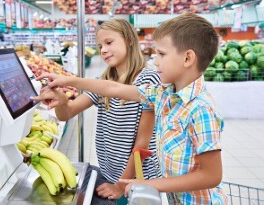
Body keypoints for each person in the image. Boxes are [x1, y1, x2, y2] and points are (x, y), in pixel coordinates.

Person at [32, 13, 228, 204]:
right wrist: (66, 88)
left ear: (187, 58)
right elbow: (112, 88)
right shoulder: (164, 94)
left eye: (161, 54)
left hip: (163, 188)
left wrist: (147, 184)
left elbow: (211, 175)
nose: (155, 60)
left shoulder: (198, 107)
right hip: (159, 190)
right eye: (100, 46)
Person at [33, 19, 162, 204]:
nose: (103, 50)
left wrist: (120, 185)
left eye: (109, 43)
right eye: (100, 46)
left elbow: (143, 143)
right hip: (109, 173)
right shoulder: (102, 80)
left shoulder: (148, 80)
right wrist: (61, 101)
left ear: (129, 40)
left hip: (138, 180)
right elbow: (67, 113)